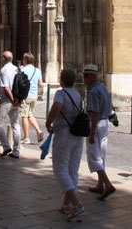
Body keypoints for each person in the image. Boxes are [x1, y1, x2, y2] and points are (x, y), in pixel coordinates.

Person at [45, 69, 85, 220]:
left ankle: (77, 204)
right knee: (72, 170)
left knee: (60, 170)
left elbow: (56, 107)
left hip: (64, 135)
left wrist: (48, 122)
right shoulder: (78, 94)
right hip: (77, 135)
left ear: (61, 80)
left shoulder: (61, 94)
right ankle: (66, 204)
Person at [83, 64, 115, 200]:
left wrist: (91, 132)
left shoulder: (94, 92)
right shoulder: (103, 88)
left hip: (97, 125)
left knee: (93, 155)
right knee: (101, 155)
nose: (83, 79)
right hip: (106, 123)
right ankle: (100, 185)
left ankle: (107, 184)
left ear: (91, 76)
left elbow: (95, 113)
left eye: (85, 76)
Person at [0, 50, 21, 159]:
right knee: (15, 124)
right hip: (16, 101)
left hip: (7, 100)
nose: (1, 59)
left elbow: (5, 87)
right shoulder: (16, 69)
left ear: (4, 59)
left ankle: (6, 146)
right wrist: (18, 100)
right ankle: (16, 151)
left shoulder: (4, 70)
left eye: (2, 57)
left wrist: (12, 99)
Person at [20, 52, 44, 145]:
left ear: (25, 60)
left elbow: (19, 83)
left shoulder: (22, 70)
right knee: (30, 114)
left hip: (25, 96)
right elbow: (41, 84)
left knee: (24, 116)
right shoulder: (37, 70)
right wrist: (40, 93)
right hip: (34, 96)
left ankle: (26, 138)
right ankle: (39, 131)